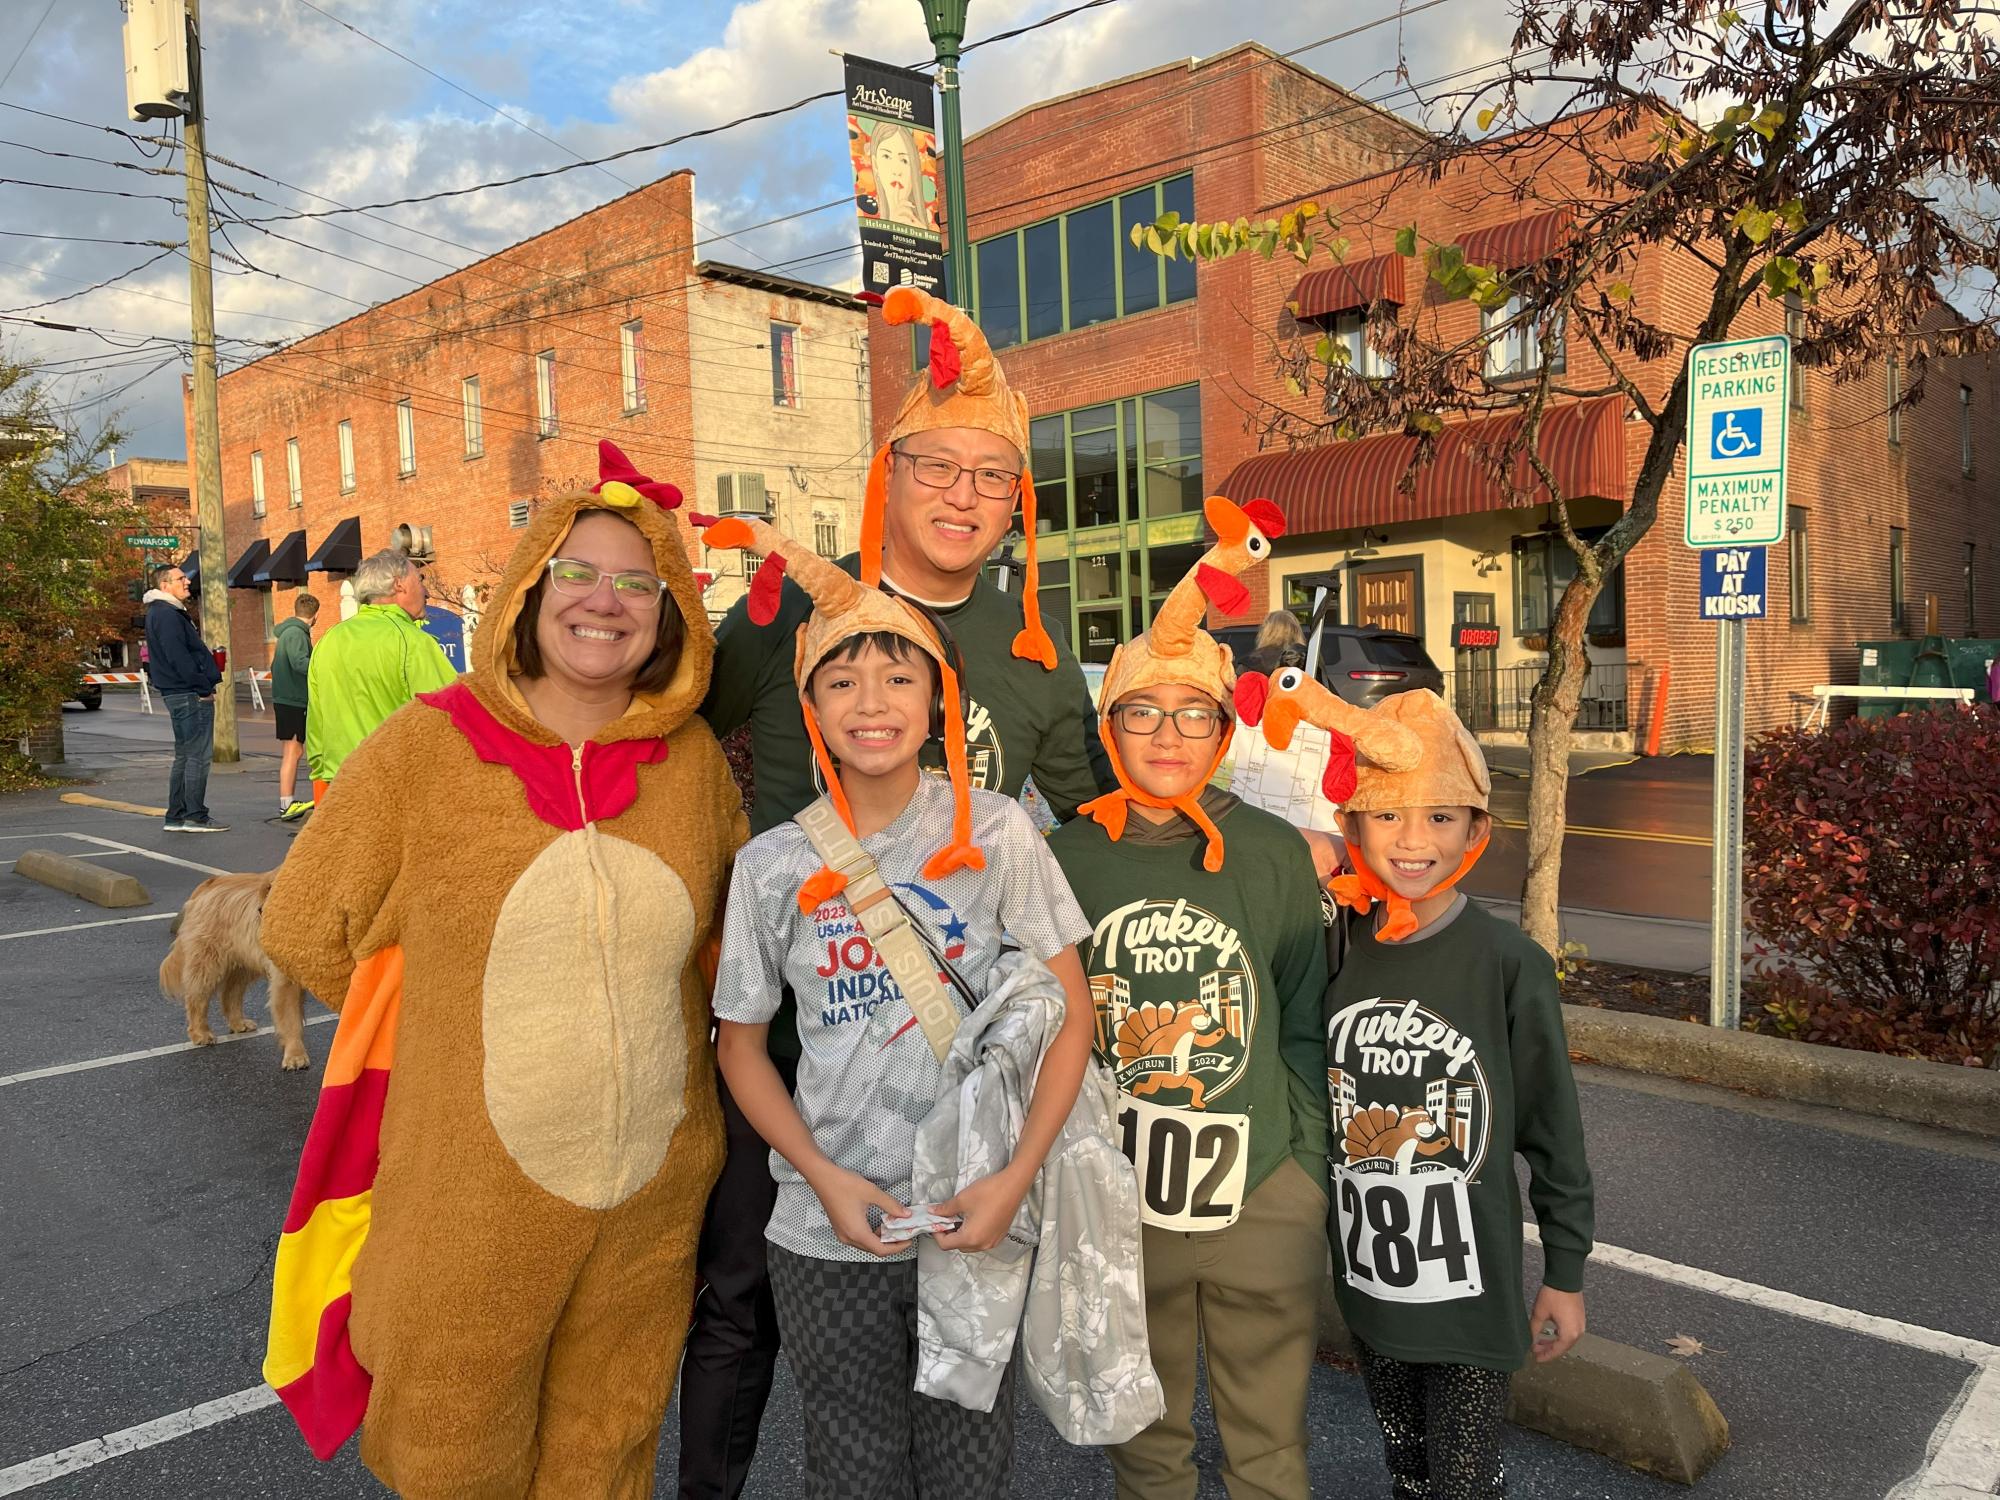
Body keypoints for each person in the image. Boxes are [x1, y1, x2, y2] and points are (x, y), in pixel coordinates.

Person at [682, 287, 1110, 1498]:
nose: (964, 496)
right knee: (743, 1311)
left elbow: (1089, 815)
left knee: (960, 1400)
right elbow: (666, 742)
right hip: (791, 1028)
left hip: (961, 1079)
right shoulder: (785, 624)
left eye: (993, 475)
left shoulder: (1031, 656)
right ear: (890, 471)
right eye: (939, 466)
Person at [259, 443, 746, 1497]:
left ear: (670, 616)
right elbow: (303, 926)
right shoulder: (423, 750)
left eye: (636, 582)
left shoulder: (694, 763)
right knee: (450, 1443)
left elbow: (723, 945)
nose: (604, 602)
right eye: (576, 572)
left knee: (608, 1446)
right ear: (526, 591)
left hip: (653, 1195)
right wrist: (442, 1021)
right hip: (468, 1193)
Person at [1242, 672, 1595, 1500]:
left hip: (1470, 1293)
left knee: (1464, 1483)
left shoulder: (1510, 965)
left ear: (1477, 827)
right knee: (1405, 1467)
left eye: (1440, 817)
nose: (1413, 840)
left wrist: (1567, 1272)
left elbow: (1553, 1130)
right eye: (1388, 814)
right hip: (1368, 1283)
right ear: (1352, 822)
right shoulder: (1332, 944)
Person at [1049, 497, 1339, 1500]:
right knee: (1146, 1438)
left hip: (1260, 1186)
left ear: (1221, 729)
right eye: (1141, 711)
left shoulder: (1265, 851)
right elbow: (1050, 1033)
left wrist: (1300, 1170)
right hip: (1119, 1199)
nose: (1165, 734)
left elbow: (1302, 1013)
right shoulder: (1064, 856)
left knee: (1266, 1447)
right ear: (1109, 722)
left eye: (1191, 713)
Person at [304, 548, 457, 804]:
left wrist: (326, 787)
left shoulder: (328, 641)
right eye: (419, 579)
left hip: (343, 789)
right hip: (401, 792)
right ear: (399, 585)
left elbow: (316, 731)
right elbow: (454, 718)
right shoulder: (413, 642)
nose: (426, 591)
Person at [142, 563, 227, 834]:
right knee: (197, 756)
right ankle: (194, 816)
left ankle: (176, 816)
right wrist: (202, 686)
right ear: (164, 585)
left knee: (185, 755)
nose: (187, 582)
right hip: (188, 693)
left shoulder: (164, 612)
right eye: (180, 579)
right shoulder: (167, 614)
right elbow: (178, 655)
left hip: (180, 691)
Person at [271, 592, 320, 820]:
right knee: (293, 750)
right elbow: (300, 663)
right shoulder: (297, 634)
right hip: (293, 699)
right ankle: (286, 803)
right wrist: (322, 666)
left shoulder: (288, 633)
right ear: (315, 615)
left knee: (294, 750)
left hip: (286, 698)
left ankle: (287, 802)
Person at [866, 121, 933, 232]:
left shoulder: (926, 228)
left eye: (904, 160)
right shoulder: (867, 224)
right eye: (886, 156)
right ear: (875, 164)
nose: (897, 171)